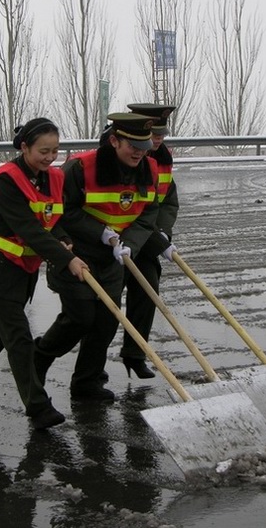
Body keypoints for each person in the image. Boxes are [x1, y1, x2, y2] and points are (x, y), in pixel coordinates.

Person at [0, 117, 88, 429]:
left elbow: (52, 220)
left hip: (24, 269)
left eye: (55, 150)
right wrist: (67, 259)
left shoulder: (53, 178)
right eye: (43, 151)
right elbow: (29, 229)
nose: (50, 157)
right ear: (24, 147)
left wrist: (64, 239)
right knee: (18, 336)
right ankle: (38, 407)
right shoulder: (6, 181)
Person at [33, 112, 171, 402]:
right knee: (80, 317)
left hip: (113, 256)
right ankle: (40, 355)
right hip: (76, 252)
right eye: (133, 146)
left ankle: (86, 382)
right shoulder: (81, 167)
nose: (139, 152)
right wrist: (101, 232)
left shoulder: (149, 168)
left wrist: (130, 244)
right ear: (114, 141)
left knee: (107, 319)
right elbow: (60, 210)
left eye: (144, 146)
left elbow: (148, 213)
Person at [118, 103, 179, 379]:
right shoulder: (123, 157)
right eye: (154, 134)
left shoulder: (163, 159)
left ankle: (135, 354)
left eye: (162, 135)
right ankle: (90, 371)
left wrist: (163, 232)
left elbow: (167, 201)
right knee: (102, 306)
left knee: (148, 290)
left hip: (146, 239)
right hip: (117, 240)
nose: (158, 140)